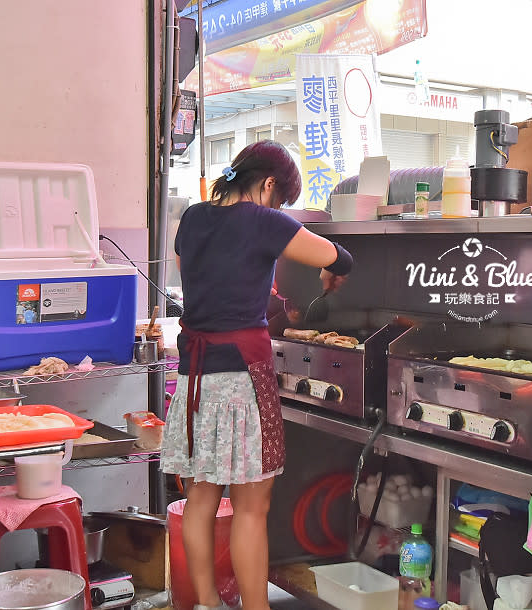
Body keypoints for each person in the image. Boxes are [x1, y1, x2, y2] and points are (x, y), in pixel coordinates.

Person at [160, 140, 353, 610]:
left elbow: (190, 268)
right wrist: (333, 275)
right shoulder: (266, 222)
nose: (279, 206)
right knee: (251, 507)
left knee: (202, 498)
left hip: (194, 378)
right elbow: (336, 256)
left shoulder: (193, 217)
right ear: (269, 184)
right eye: (280, 198)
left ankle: (205, 602)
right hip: (243, 378)